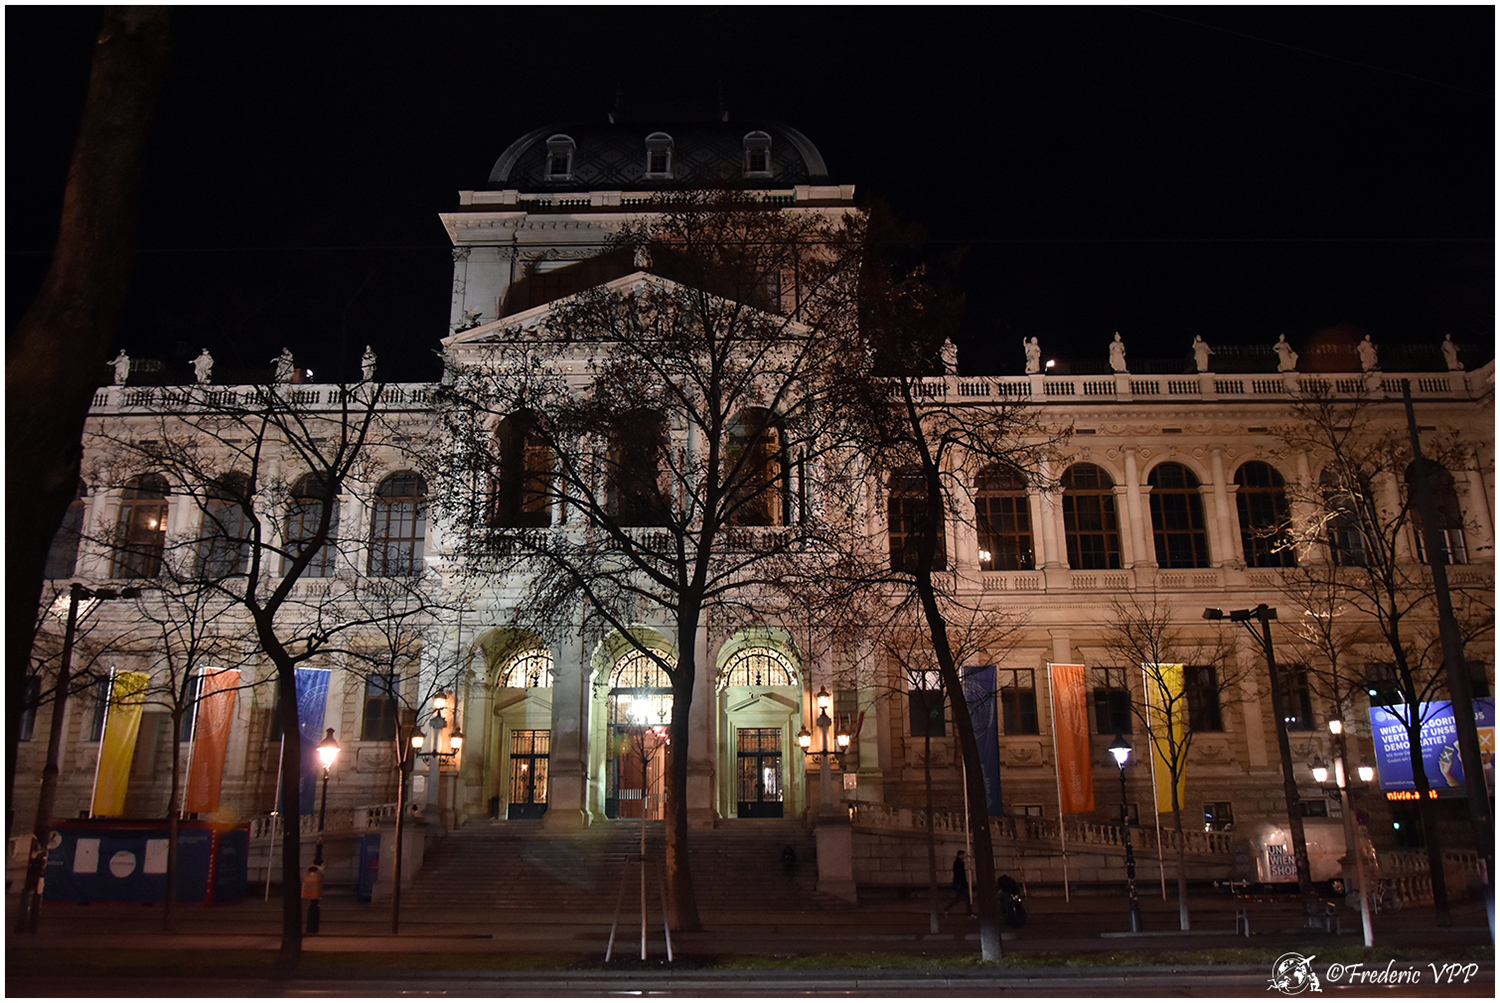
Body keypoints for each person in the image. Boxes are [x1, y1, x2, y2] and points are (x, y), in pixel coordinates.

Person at [944, 849, 974, 916]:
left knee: (959, 899)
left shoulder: (957, 862)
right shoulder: (959, 863)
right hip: (961, 884)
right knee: (963, 899)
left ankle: (947, 909)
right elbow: (960, 874)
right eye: (963, 855)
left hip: (960, 884)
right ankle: (969, 912)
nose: (964, 856)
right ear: (960, 855)